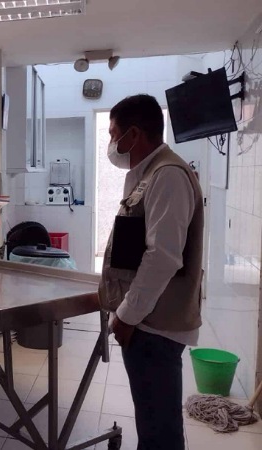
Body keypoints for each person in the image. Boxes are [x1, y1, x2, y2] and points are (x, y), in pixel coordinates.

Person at [99, 95, 204, 450]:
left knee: (159, 432)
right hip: (147, 322)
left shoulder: (168, 175)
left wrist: (126, 315)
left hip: (154, 327)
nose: (111, 144)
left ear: (134, 134)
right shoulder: (148, 174)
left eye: (113, 135)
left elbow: (162, 258)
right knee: (152, 422)